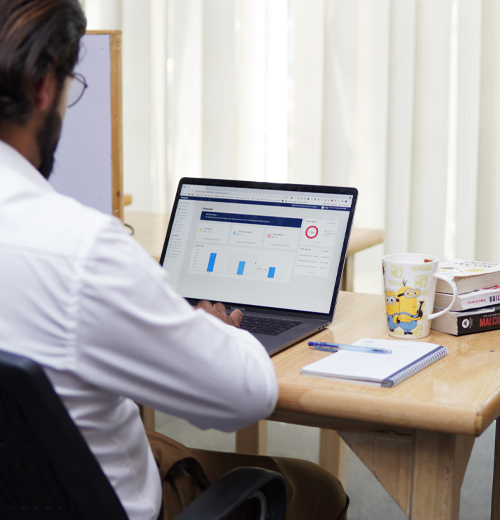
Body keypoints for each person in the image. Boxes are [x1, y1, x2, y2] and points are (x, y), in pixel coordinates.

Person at [0, 1, 348, 519]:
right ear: (44, 87)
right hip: (110, 505)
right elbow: (244, 397)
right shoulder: (81, 250)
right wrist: (214, 332)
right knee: (314, 485)